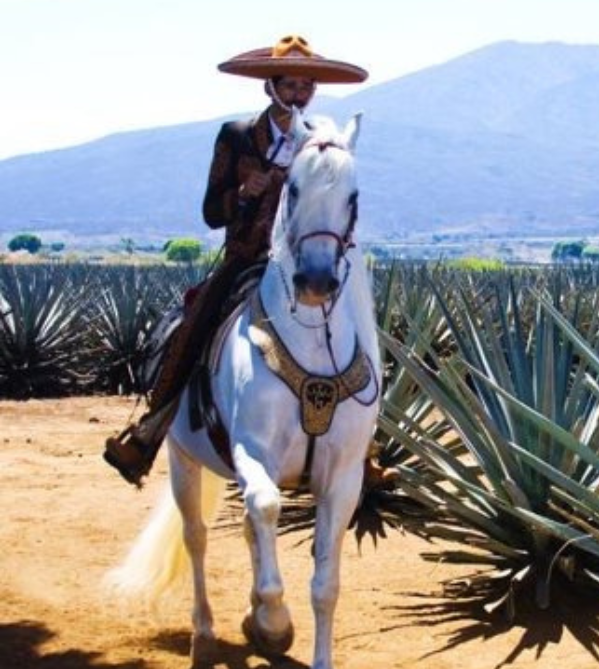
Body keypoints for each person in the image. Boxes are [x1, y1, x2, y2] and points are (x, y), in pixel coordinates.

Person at [104, 35, 393, 489]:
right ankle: (149, 431)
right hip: (246, 259)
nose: (299, 94)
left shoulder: (321, 142)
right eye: (291, 84)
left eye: (306, 86)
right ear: (271, 87)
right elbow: (209, 211)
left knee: (358, 330)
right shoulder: (237, 137)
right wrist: (242, 194)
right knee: (194, 325)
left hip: (301, 262)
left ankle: (364, 449)